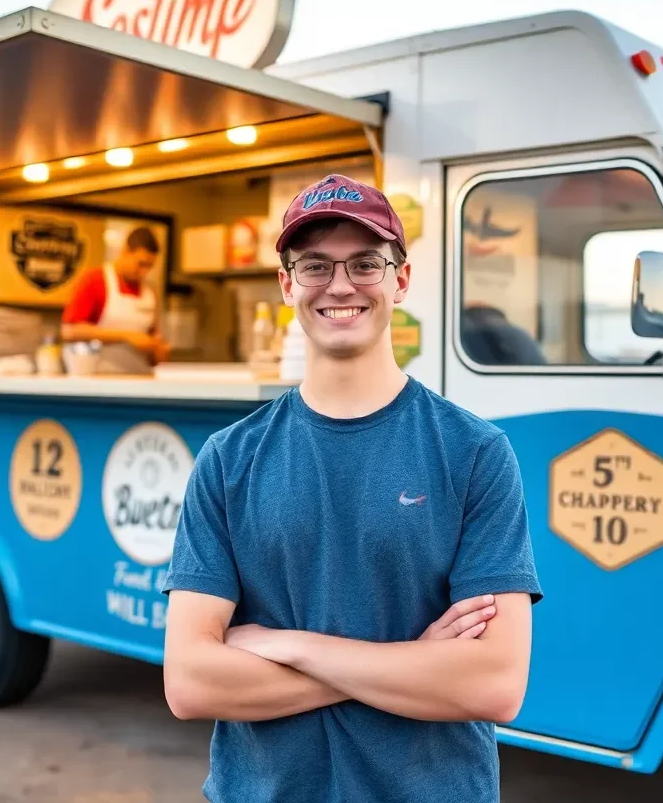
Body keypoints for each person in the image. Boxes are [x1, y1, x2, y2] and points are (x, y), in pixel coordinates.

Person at [162, 174, 542, 803]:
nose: (340, 285)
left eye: (366, 262)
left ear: (401, 278)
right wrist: (412, 662)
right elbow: (191, 683)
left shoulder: (475, 454)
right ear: (287, 284)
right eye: (315, 266)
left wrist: (291, 646)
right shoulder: (229, 459)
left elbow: (493, 685)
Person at [60, 225, 169, 374]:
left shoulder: (151, 293)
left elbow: (153, 340)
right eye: (141, 264)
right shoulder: (95, 280)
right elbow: (70, 331)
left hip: (141, 378)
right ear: (125, 251)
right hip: (99, 378)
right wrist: (127, 336)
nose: (144, 272)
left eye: (149, 266)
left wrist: (158, 350)